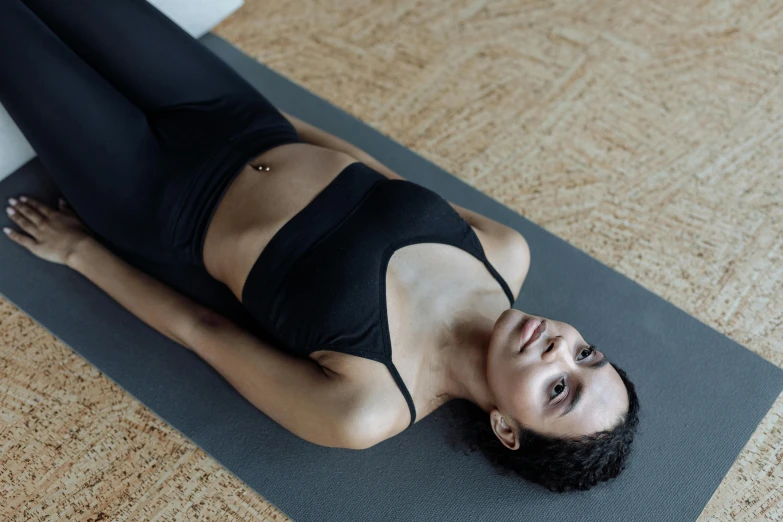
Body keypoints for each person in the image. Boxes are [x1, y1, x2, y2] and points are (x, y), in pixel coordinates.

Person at [0, 0, 639, 492]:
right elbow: (375, 170)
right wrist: (277, 117)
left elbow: (205, 330)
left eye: (559, 389)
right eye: (586, 353)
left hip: (153, 195)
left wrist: (78, 252)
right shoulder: (505, 252)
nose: (561, 349)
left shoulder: (365, 409)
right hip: (235, 115)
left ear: (506, 427)